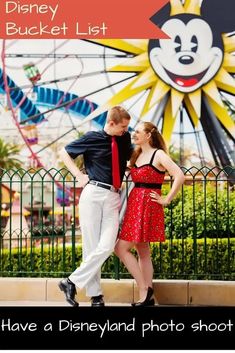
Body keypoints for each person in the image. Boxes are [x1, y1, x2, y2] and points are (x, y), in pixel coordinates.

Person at [58, 106, 133, 307]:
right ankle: (96, 296)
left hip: (113, 196)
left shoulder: (125, 139)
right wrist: (78, 176)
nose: (125, 130)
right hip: (93, 193)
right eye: (122, 127)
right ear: (111, 123)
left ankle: (71, 281)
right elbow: (63, 152)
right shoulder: (91, 137)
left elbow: (129, 159)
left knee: (107, 246)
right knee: (91, 246)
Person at [114, 121, 185, 307]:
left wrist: (167, 199)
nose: (134, 134)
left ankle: (145, 290)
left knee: (120, 248)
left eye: (137, 132)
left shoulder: (158, 154)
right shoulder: (137, 154)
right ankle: (148, 297)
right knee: (142, 250)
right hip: (135, 202)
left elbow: (179, 175)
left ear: (148, 135)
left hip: (148, 204)